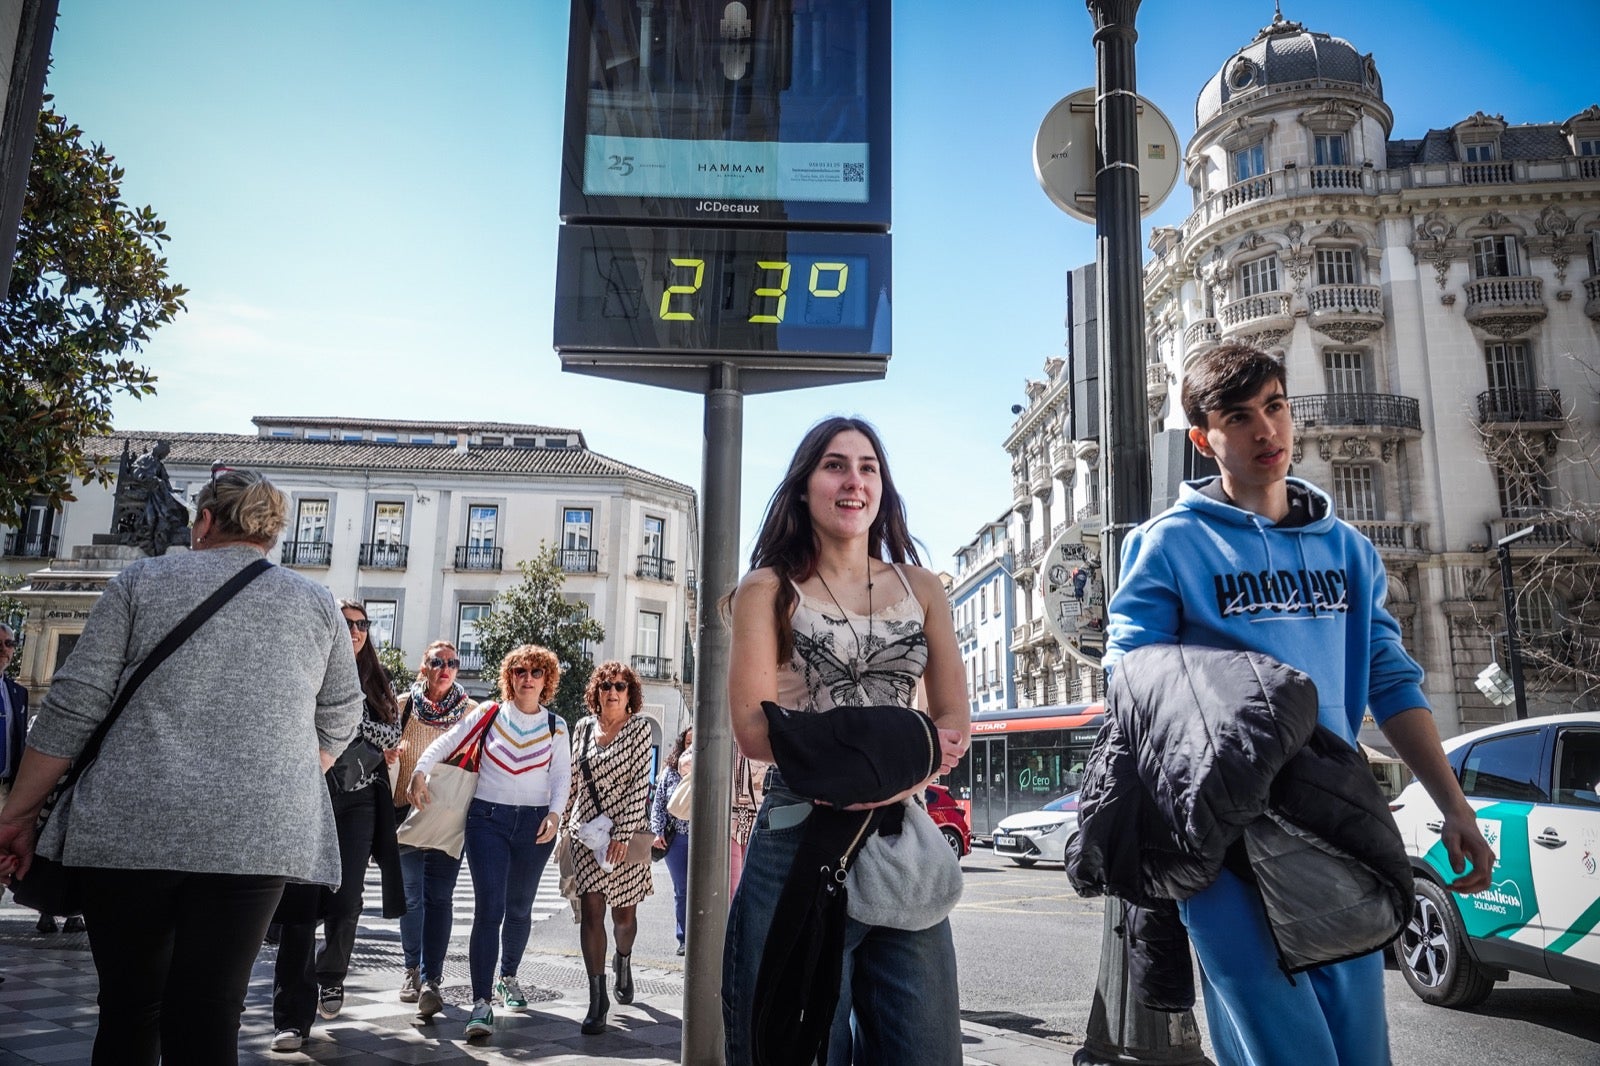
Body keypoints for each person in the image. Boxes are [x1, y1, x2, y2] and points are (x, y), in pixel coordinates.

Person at [1102, 342, 1497, 1066]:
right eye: (1240, 417)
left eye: (1276, 407)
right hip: (1223, 841)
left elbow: (1392, 681)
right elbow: (1130, 685)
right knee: (1282, 1051)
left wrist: (1454, 806)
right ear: (1203, 438)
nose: (1266, 431)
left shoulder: (1347, 550)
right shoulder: (1167, 546)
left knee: (1358, 1051)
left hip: (1332, 824)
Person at [0, 469, 362, 1066]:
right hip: (254, 836)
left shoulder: (142, 580)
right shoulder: (315, 603)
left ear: (203, 521)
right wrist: (287, 769)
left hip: (132, 822)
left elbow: (74, 703)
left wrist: (19, 814)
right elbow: (342, 713)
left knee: (129, 1008)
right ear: (271, 534)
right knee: (211, 1010)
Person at [723, 416, 969, 1065]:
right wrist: (893, 750)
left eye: (868, 467)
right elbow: (752, 728)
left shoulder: (923, 588)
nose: (854, 480)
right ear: (804, 486)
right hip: (799, 836)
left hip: (900, 838)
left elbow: (952, 723)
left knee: (927, 1053)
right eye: (835, 464)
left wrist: (865, 766)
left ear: (882, 487)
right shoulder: (767, 589)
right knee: (792, 1049)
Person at [410, 644, 570, 1042]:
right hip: (487, 820)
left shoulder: (557, 726)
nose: (527, 678)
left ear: (546, 679)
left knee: (519, 908)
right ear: (509, 677)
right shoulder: (489, 712)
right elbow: (447, 742)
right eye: (519, 671)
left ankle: (509, 976)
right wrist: (419, 770)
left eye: (536, 672)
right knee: (490, 908)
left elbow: (561, 778)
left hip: (534, 825)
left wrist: (554, 814)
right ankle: (481, 1004)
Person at [268, 599, 406, 1053]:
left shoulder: (378, 681)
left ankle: (331, 975)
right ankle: (290, 1017)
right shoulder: (310, 667)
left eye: (362, 624)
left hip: (360, 799)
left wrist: (346, 720)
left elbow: (392, 734)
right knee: (300, 907)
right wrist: (356, 725)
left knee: (346, 901)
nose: (355, 631)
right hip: (310, 796)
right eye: (347, 624)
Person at [563, 660, 653, 1036]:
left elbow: (639, 786)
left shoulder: (640, 729)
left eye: (619, 686)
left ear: (630, 693)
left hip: (625, 835)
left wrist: (622, 835)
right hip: (586, 833)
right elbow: (572, 778)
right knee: (591, 908)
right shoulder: (583, 728)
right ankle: (597, 997)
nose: (612, 691)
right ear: (596, 693)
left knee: (623, 918)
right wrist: (560, 821)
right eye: (605, 686)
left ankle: (624, 958)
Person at [393, 640, 479, 1019]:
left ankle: (432, 980)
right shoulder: (403, 706)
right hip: (405, 817)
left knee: (439, 898)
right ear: (423, 667)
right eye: (437, 662)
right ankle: (412, 969)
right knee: (411, 897)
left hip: (447, 819)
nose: (445, 668)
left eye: (452, 662)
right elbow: (383, 749)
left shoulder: (472, 712)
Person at [649, 727, 693, 956]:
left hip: (703, 840)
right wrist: (657, 832)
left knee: (704, 888)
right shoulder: (669, 774)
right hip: (677, 839)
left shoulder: (710, 771)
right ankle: (684, 938)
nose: (691, 747)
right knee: (682, 890)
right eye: (688, 742)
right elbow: (658, 806)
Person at [728, 752, 768, 895]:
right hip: (729, 822)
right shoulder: (725, 739)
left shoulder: (758, 742)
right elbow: (683, 764)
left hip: (755, 821)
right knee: (733, 889)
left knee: (750, 889)